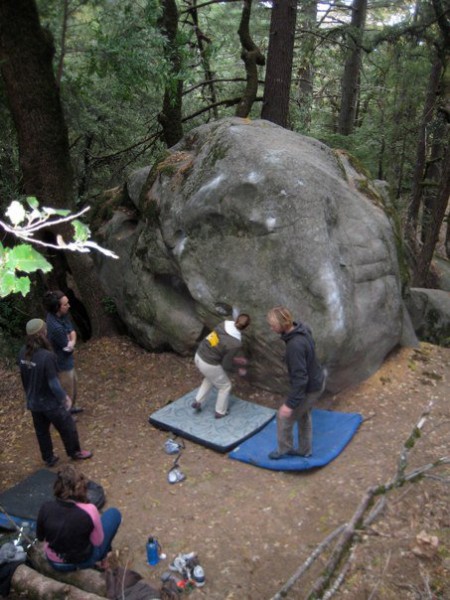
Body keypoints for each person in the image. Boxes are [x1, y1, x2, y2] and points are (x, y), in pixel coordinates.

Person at [17, 318, 92, 467]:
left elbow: (24, 377)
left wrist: (29, 395)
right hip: (50, 402)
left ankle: (49, 458)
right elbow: (53, 383)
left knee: (42, 432)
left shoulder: (22, 353)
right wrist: (65, 398)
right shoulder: (47, 356)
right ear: (43, 333)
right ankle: (75, 452)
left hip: (34, 402)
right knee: (67, 425)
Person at [266, 306, 326, 459]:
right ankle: (305, 450)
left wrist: (289, 404)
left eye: (273, 325)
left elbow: (301, 380)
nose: (271, 328)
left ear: (283, 325)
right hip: (317, 379)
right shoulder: (302, 328)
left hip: (310, 387)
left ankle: (284, 449)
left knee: (284, 417)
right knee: (303, 414)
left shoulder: (294, 346)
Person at [37, 465, 121, 571]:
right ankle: (102, 560)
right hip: (81, 561)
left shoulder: (46, 507)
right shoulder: (90, 510)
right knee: (113, 514)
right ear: (82, 487)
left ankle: (102, 559)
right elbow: (98, 542)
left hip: (54, 561)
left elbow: (40, 537)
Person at [192, 313, 250, 418]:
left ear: (236, 320)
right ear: (246, 328)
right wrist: (238, 369)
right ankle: (220, 412)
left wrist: (235, 359)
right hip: (209, 363)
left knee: (211, 377)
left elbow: (219, 346)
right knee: (225, 386)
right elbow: (226, 364)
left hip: (199, 355)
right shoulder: (236, 342)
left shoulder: (223, 324)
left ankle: (197, 401)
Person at [43, 290, 83, 414]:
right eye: (65, 304)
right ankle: (66, 414)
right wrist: (71, 341)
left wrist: (72, 339)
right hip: (61, 363)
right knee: (67, 389)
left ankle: (71, 408)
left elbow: (72, 331)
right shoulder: (55, 328)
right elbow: (67, 346)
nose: (68, 306)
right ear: (57, 308)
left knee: (74, 385)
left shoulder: (61, 315)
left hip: (67, 360)